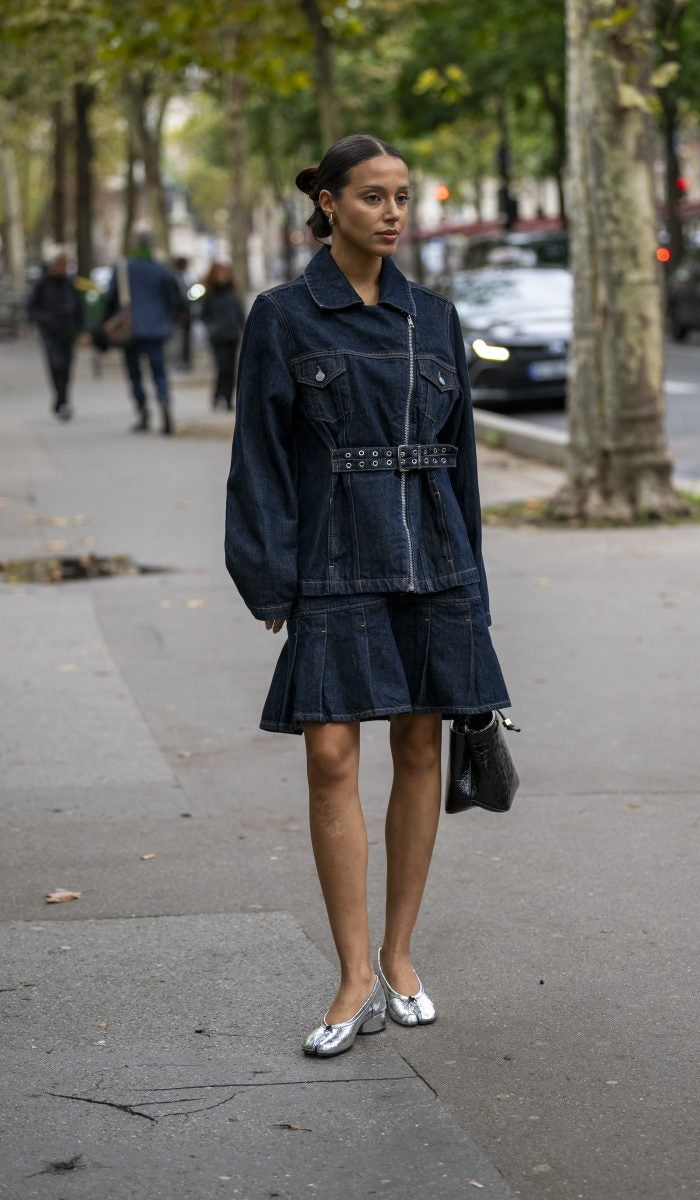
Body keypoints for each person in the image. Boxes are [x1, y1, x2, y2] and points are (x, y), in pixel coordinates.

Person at [225, 134, 511, 1058]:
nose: (393, 213)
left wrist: (475, 583)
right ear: (329, 205)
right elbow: (259, 456)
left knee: (422, 744)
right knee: (332, 759)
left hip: (433, 557)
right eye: (373, 197)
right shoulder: (282, 316)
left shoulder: (436, 315)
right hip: (333, 557)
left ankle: (399, 957)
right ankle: (352, 973)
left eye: (402, 197)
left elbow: (460, 460)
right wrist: (267, 573)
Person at [105, 230, 182, 434]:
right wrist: (167, 318)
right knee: (159, 371)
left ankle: (142, 411)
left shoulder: (123, 268)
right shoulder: (161, 269)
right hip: (156, 329)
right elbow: (174, 298)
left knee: (134, 373)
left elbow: (110, 297)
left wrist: (106, 324)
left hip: (130, 329)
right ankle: (164, 401)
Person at [27, 248, 83, 421]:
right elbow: (32, 309)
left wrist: (82, 329)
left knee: (66, 367)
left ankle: (63, 400)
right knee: (55, 365)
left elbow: (78, 308)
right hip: (50, 333)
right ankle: (61, 401)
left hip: (68, 332)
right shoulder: (43, 284)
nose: (64, 268)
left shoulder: (70, 283)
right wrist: (46, 320)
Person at [200, 262, 246, 410]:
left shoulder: (233, 293)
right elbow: (204, 315)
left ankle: (226, 397)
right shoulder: (210, 295)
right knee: (222, 366)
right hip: (217, 337)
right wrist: (213, 328)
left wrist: (243, 329)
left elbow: (239, 314)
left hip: (232, 335)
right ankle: (219, 393)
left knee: (231, 368)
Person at [171, 255, 194, 371]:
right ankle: (181, 362)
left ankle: (184, 361)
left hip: (184, 312)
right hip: (181, 312)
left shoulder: (183, 276)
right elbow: (182, 296)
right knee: (180, 339)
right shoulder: (176, 277)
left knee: (184, 339)